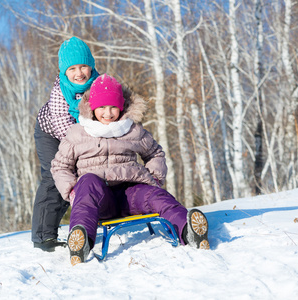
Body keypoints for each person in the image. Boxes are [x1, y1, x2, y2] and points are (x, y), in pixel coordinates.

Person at [51, 74, 210, 266]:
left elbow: (155, 153)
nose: (108, 113)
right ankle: (81, 242)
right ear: (92, 108)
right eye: (102, 107)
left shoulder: (132, 130)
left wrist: (155, 178)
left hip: (132, 192)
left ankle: (188, 230)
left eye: (113, 107)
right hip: (99, 197)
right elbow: (60, 166)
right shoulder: (78, 133)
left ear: (121, 107)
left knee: (157, 197)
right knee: (88, 182)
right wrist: (72, 191)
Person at [32, 37, 100, 252]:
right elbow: (64, 129)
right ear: (64, 71)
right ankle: (43, 236)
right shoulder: (60, 92)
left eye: (83, 66)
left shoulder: (100, 85)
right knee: (56, 176)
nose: (79, 73)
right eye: (72, 68)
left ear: (91, 66)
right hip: (51, 134)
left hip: (85, 136)